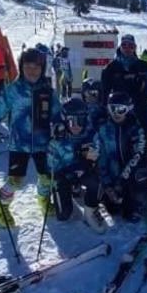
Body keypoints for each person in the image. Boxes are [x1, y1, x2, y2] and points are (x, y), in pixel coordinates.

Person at [0, 48, 61, 228]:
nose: (32, 70)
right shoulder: (13, 90)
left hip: (43, 143)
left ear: (42, 68)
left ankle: (43, 199)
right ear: (21, 67)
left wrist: (59, 127)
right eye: (27, 66)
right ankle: (1, 208)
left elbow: (57, 114)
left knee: (46, 177)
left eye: (36, 67)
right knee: (16, 180)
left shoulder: (48, 91)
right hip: (19, 144)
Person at [48, 98, 106, 233]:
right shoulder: (57, 133)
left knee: (98, 177)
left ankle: (90, 211)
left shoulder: (91, 132)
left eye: (80, 121)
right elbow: (51, 164)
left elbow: (97, 153)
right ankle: (66, 191)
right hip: (64, 173)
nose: (76, 125)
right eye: (71, 121)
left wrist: (90, 156)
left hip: (83, 170)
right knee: (63, 215)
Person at [96, 91, 147, 223]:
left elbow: (139, 154)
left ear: (129, 109)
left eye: (121, 109)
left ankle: (135, 202)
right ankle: (114, 197)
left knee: (139, 178)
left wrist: (123, 179)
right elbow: (101, 160)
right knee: (113, 209)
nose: (116, 113)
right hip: (112, 175)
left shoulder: (135, 128)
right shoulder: (103, 130)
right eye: (112, 108)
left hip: (130, 174)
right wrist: (108, 185)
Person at [101, 34, 147, 154]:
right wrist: (104, 112)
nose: (128, 48)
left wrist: (145, 87)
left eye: (131, 46)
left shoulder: (144, 67)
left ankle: (143, 168)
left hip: (139, 111)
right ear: (120, 47)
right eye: (124, 45)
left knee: (142, 144)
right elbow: (104, 94)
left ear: (135, 48)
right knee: (120, 143)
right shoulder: (110, 68)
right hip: (118, 112)